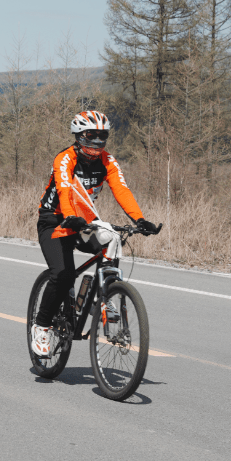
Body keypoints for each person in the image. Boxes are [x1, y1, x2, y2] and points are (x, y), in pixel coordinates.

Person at [31, 110, 157, 357]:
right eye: (91, 135)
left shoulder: (108, 161)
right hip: (55, 220)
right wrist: (69, 217)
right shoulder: (65, 159)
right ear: (79, 136)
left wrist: (140, 219)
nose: (98, 141)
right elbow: (65, 190)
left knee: (112, 239)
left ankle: (105, 292)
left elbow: (121, 189)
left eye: (103, 136)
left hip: (84, 219)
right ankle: (42, 326)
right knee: (63, 274)